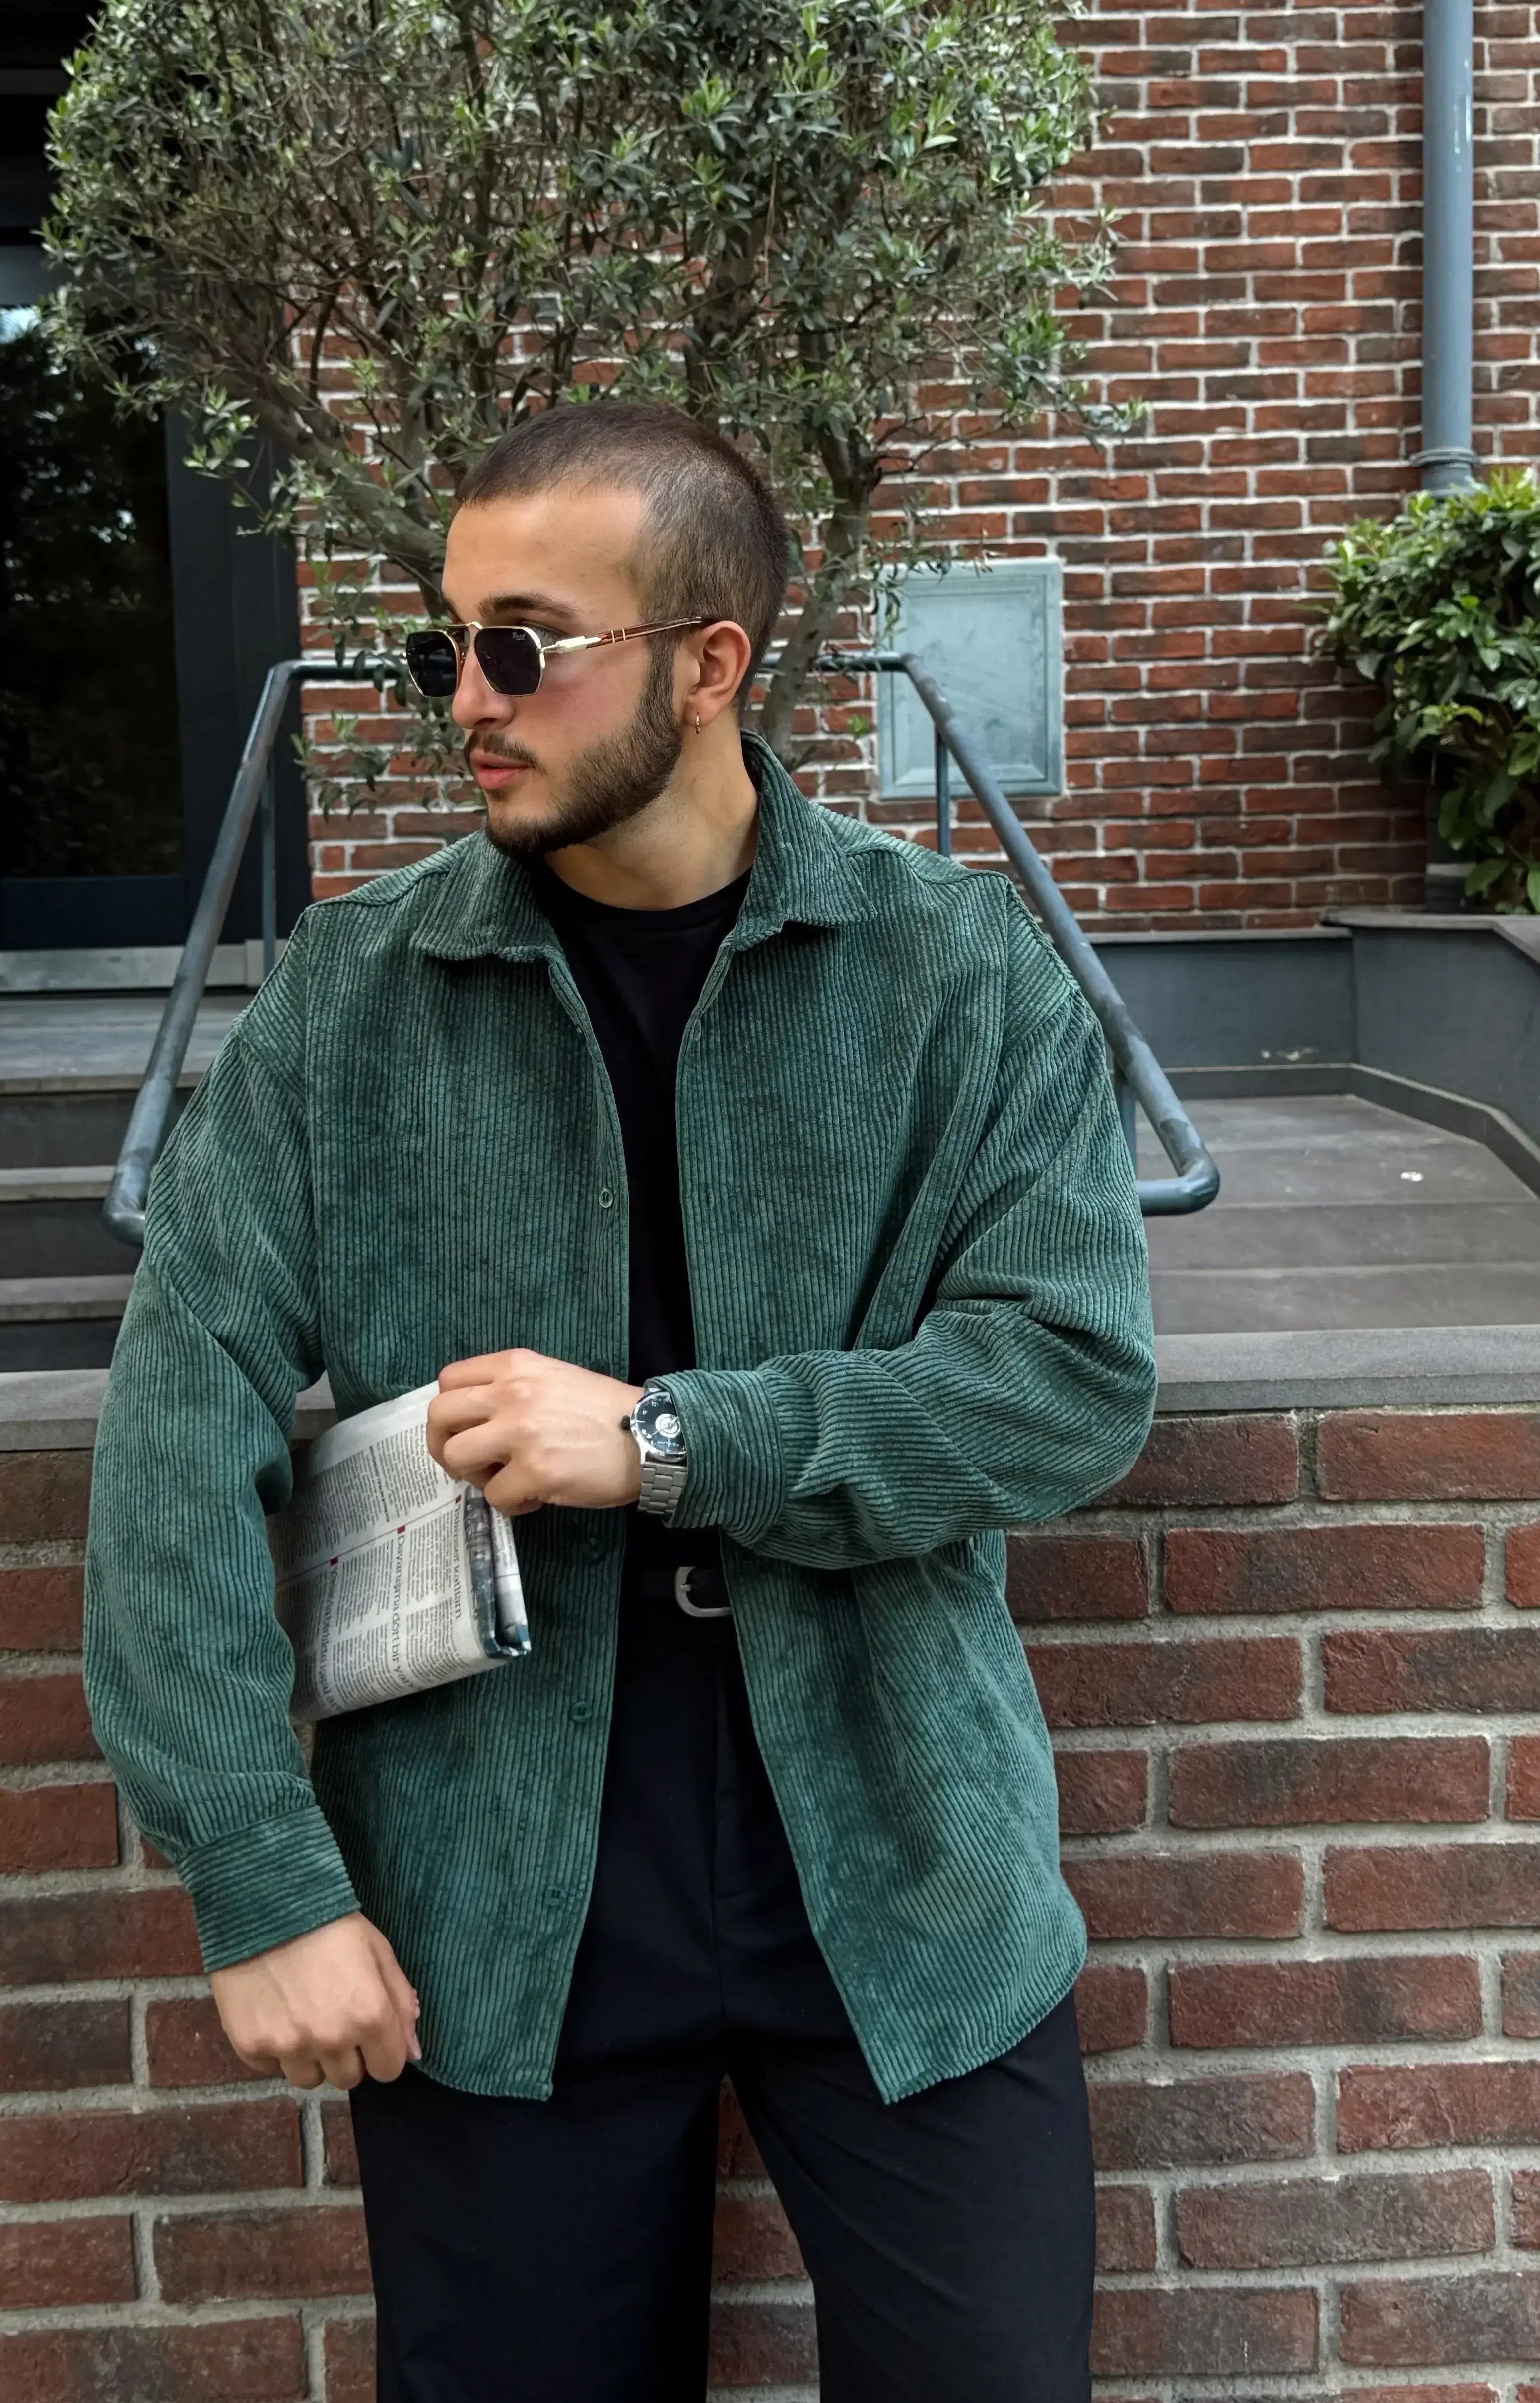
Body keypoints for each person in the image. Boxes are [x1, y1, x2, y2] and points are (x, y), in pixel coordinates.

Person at [84, 400, 1156, 2402]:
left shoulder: (948, 968)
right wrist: (257, 1869)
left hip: (904, 1854)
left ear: (708, 661)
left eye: (521, 644)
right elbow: (174, 1429)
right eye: (443, 644)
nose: (463, 701)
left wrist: (669, 1438)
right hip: (496, 1885)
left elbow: (1066, 1379)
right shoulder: (354, 995)